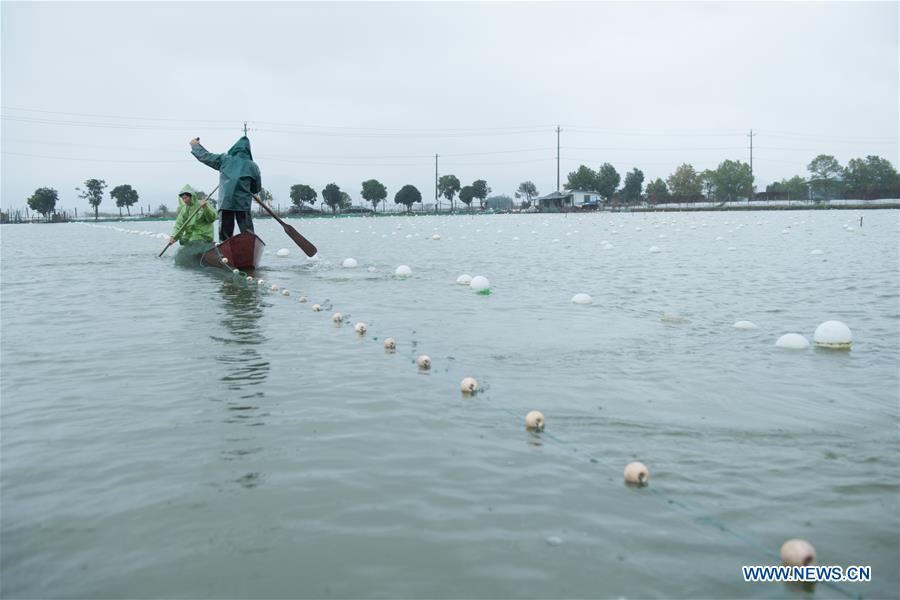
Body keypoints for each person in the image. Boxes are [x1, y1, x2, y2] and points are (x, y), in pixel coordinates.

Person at [190, 136, 261, 241]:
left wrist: (195, 146)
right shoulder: (253, 166)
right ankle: (248, 250)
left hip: (226, 203)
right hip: (243, 205)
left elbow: (206, 157)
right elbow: (256, 188)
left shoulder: (224, 159)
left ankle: (225, 253)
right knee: (248, 235)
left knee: (225, 235)